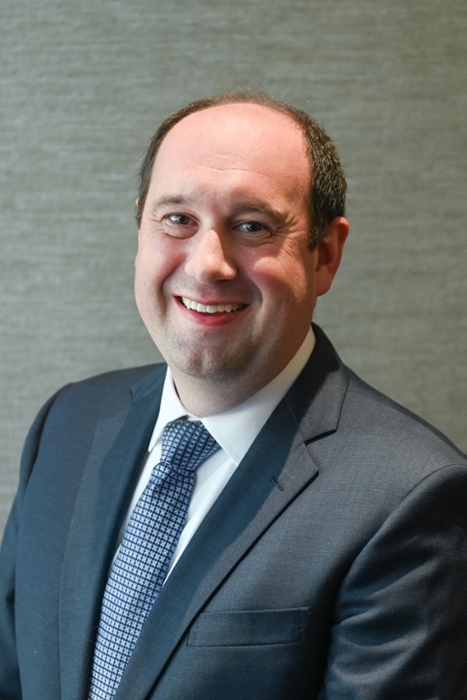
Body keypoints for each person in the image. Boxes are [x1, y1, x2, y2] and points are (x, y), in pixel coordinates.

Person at [1, 91, 467, 700]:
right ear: (141, 226)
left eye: (251, 226)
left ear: (325, 255)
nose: (208, 264)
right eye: (178, 220)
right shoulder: (69, 422)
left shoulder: (411, 495)